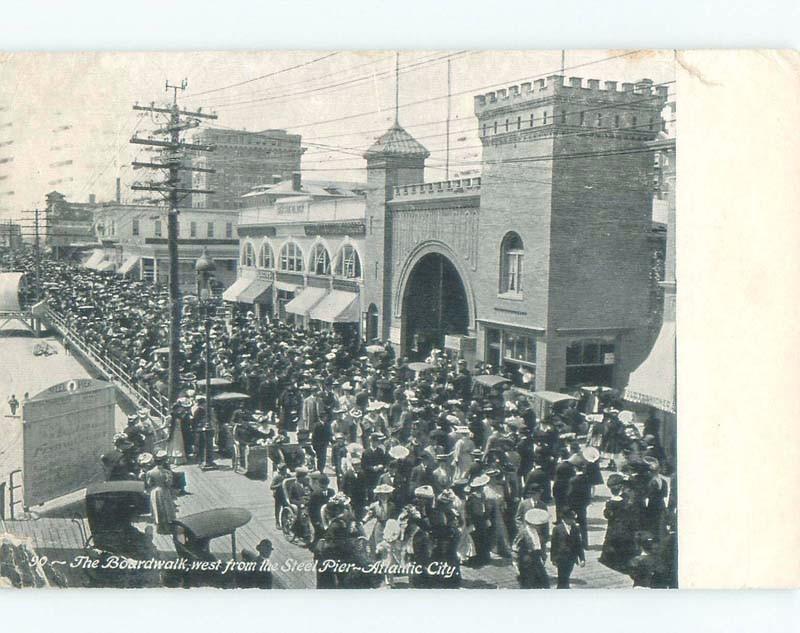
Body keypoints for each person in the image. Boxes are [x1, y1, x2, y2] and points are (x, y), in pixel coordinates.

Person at [512, 508, 550, 588]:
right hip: (526, 562)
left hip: (536, 558)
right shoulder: (523, 532)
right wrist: (516, 564)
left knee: (544, 582)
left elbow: (538, 544)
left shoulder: (535, 531)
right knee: (528, 584)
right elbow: (515, 547)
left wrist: (542, 554)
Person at [550, 508, 586, 588]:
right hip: (561, 557)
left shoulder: (575, 529)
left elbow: (579, 545)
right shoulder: (557, 529)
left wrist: (582, 558)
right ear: (565, 519)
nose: (573, 521)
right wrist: (553, 558)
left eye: (573, 519)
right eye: (571, 519)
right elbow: (554, 545)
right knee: (562, 577)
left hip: (571, 558)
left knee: (566, 575)